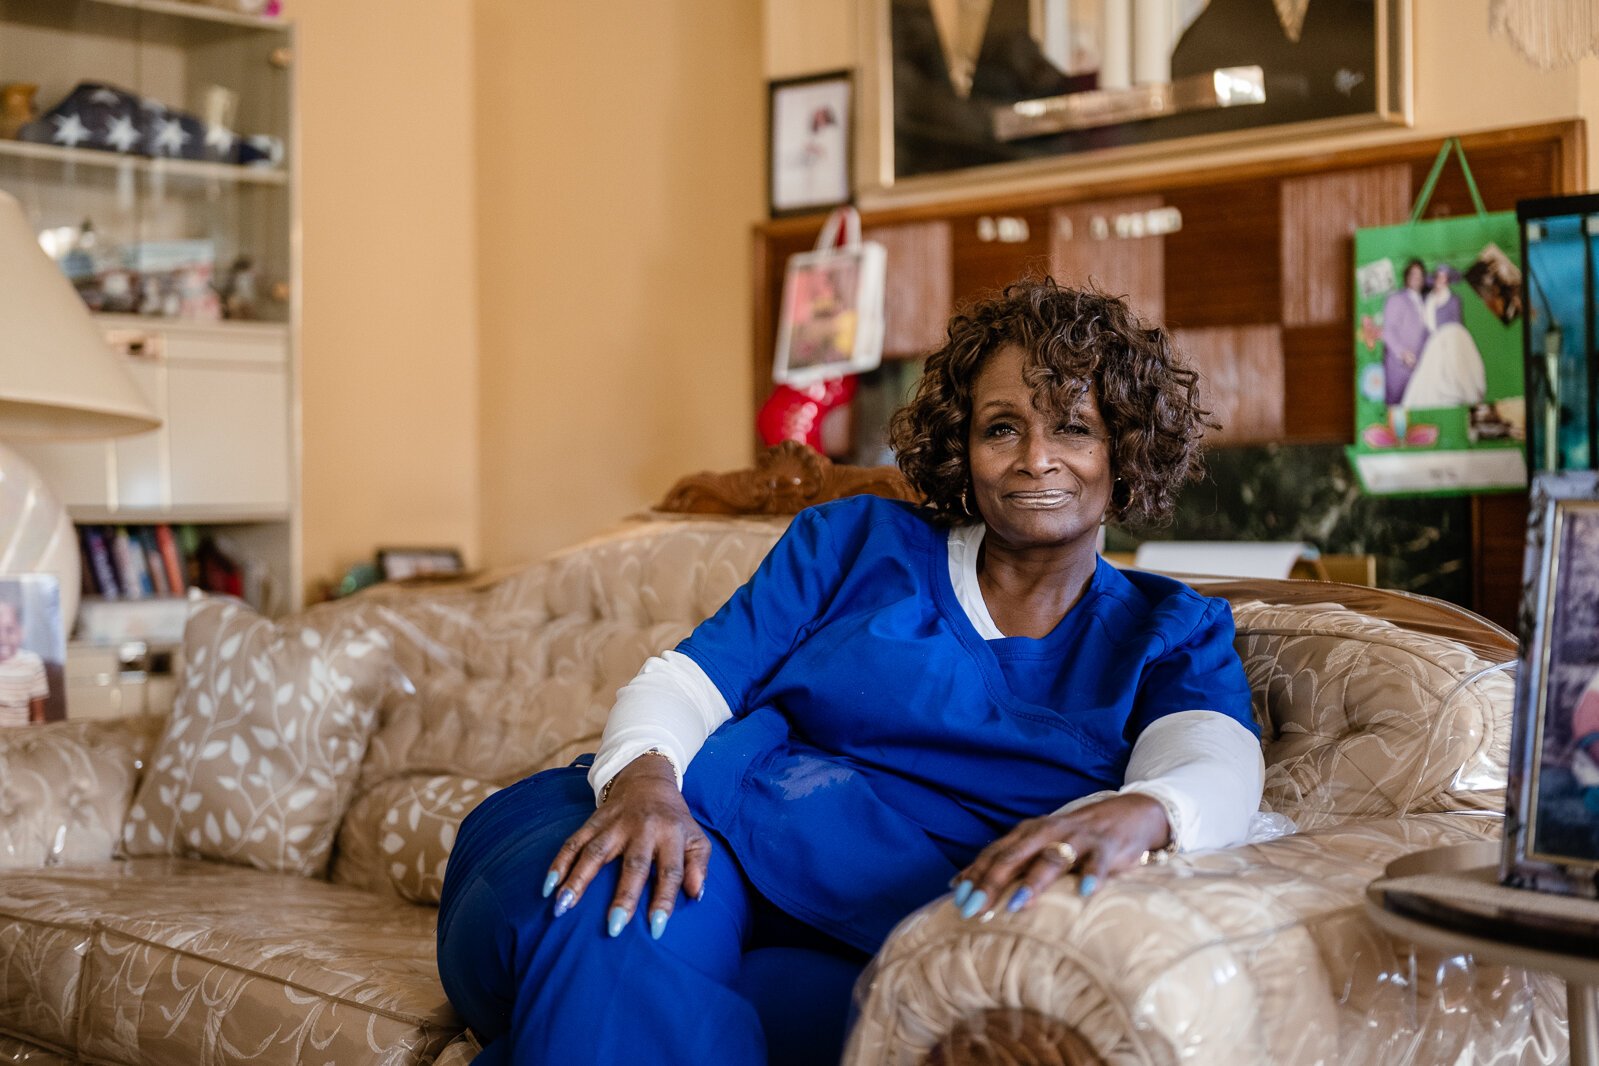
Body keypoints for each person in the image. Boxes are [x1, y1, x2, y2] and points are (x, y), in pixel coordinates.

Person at [436, 278, 1266, 1066]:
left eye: (1073, 428)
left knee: (742, 1016)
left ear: (1126, 447)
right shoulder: (852, 545)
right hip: (684, 823)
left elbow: (1211, 762)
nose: (1034, 459)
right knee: (621, 915)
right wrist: (644, 787)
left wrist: (1139, 813)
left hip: (869, 927)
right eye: (1002, 427)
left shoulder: (1169, 631)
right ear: (963, 444)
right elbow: (687, 683)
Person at [1403, 263, 1487, 409]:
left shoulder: (1454, 299)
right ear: (1435, 280)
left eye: (1444, 278)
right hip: (1434, 344)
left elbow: (1458, 324)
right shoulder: (1428, 301)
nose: (1441, 281)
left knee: (1456, 376)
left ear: (1447, 281)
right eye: (1438, 278)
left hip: (1451, 340)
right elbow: (1426, 329)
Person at [1381, 257, 1429, 404]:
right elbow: (1388, 331)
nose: (1417, 278)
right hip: (1398, 368)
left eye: (1420, 275)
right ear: (1406, 277)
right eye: (1413, 274)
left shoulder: (1425, 301)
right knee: (1395, 409)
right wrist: (1403, 353)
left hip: (1419, 369)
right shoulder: (1396, 298)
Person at [0, 599, 48, 727]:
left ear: (21, 632)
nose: (2, 638)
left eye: (9, 630)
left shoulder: (32, 663)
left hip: (19, 736)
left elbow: (39, 716)